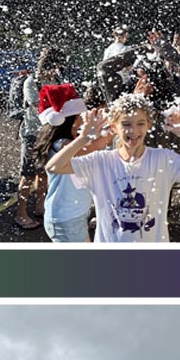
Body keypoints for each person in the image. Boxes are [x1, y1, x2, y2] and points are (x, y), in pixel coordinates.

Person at [45, 93, 180, 243]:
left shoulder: (162, 158)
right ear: (114, 128)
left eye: (140, 123)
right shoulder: (100, 161)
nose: (134, 131)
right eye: (126, 124)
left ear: (149, 125)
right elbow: (54, 167)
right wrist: (83, 138)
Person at [34, 83, 110, 242]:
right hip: (65, 219)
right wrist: (116, 127)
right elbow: (95, 146)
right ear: (69, 121)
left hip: (72, 216)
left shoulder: (67, 142)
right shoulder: (61, 144)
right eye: (78, 117)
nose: (82, 120)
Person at [16, 47, 66, 230]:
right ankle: (20, 214)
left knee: (43, 172)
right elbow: (39, 106)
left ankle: (40, 207)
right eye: (55, 67)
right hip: (32, 134)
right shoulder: (32, 82)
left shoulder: (55, 80)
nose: (56, 71)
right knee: (28, 175)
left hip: (47, 134)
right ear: (47, 65)